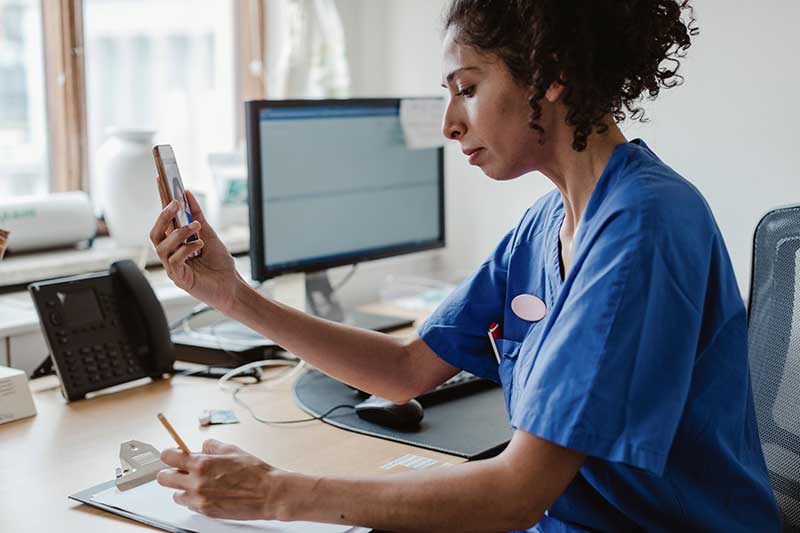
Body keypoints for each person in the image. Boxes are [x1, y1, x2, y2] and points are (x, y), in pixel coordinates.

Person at [149, 0, 781, 531]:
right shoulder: (544, 226)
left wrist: (276, 493)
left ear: (550, 74)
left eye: (468, 89)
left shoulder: (645, 226)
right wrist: (233, 295)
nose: (451, 123)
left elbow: (516, 491)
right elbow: (405, 371)